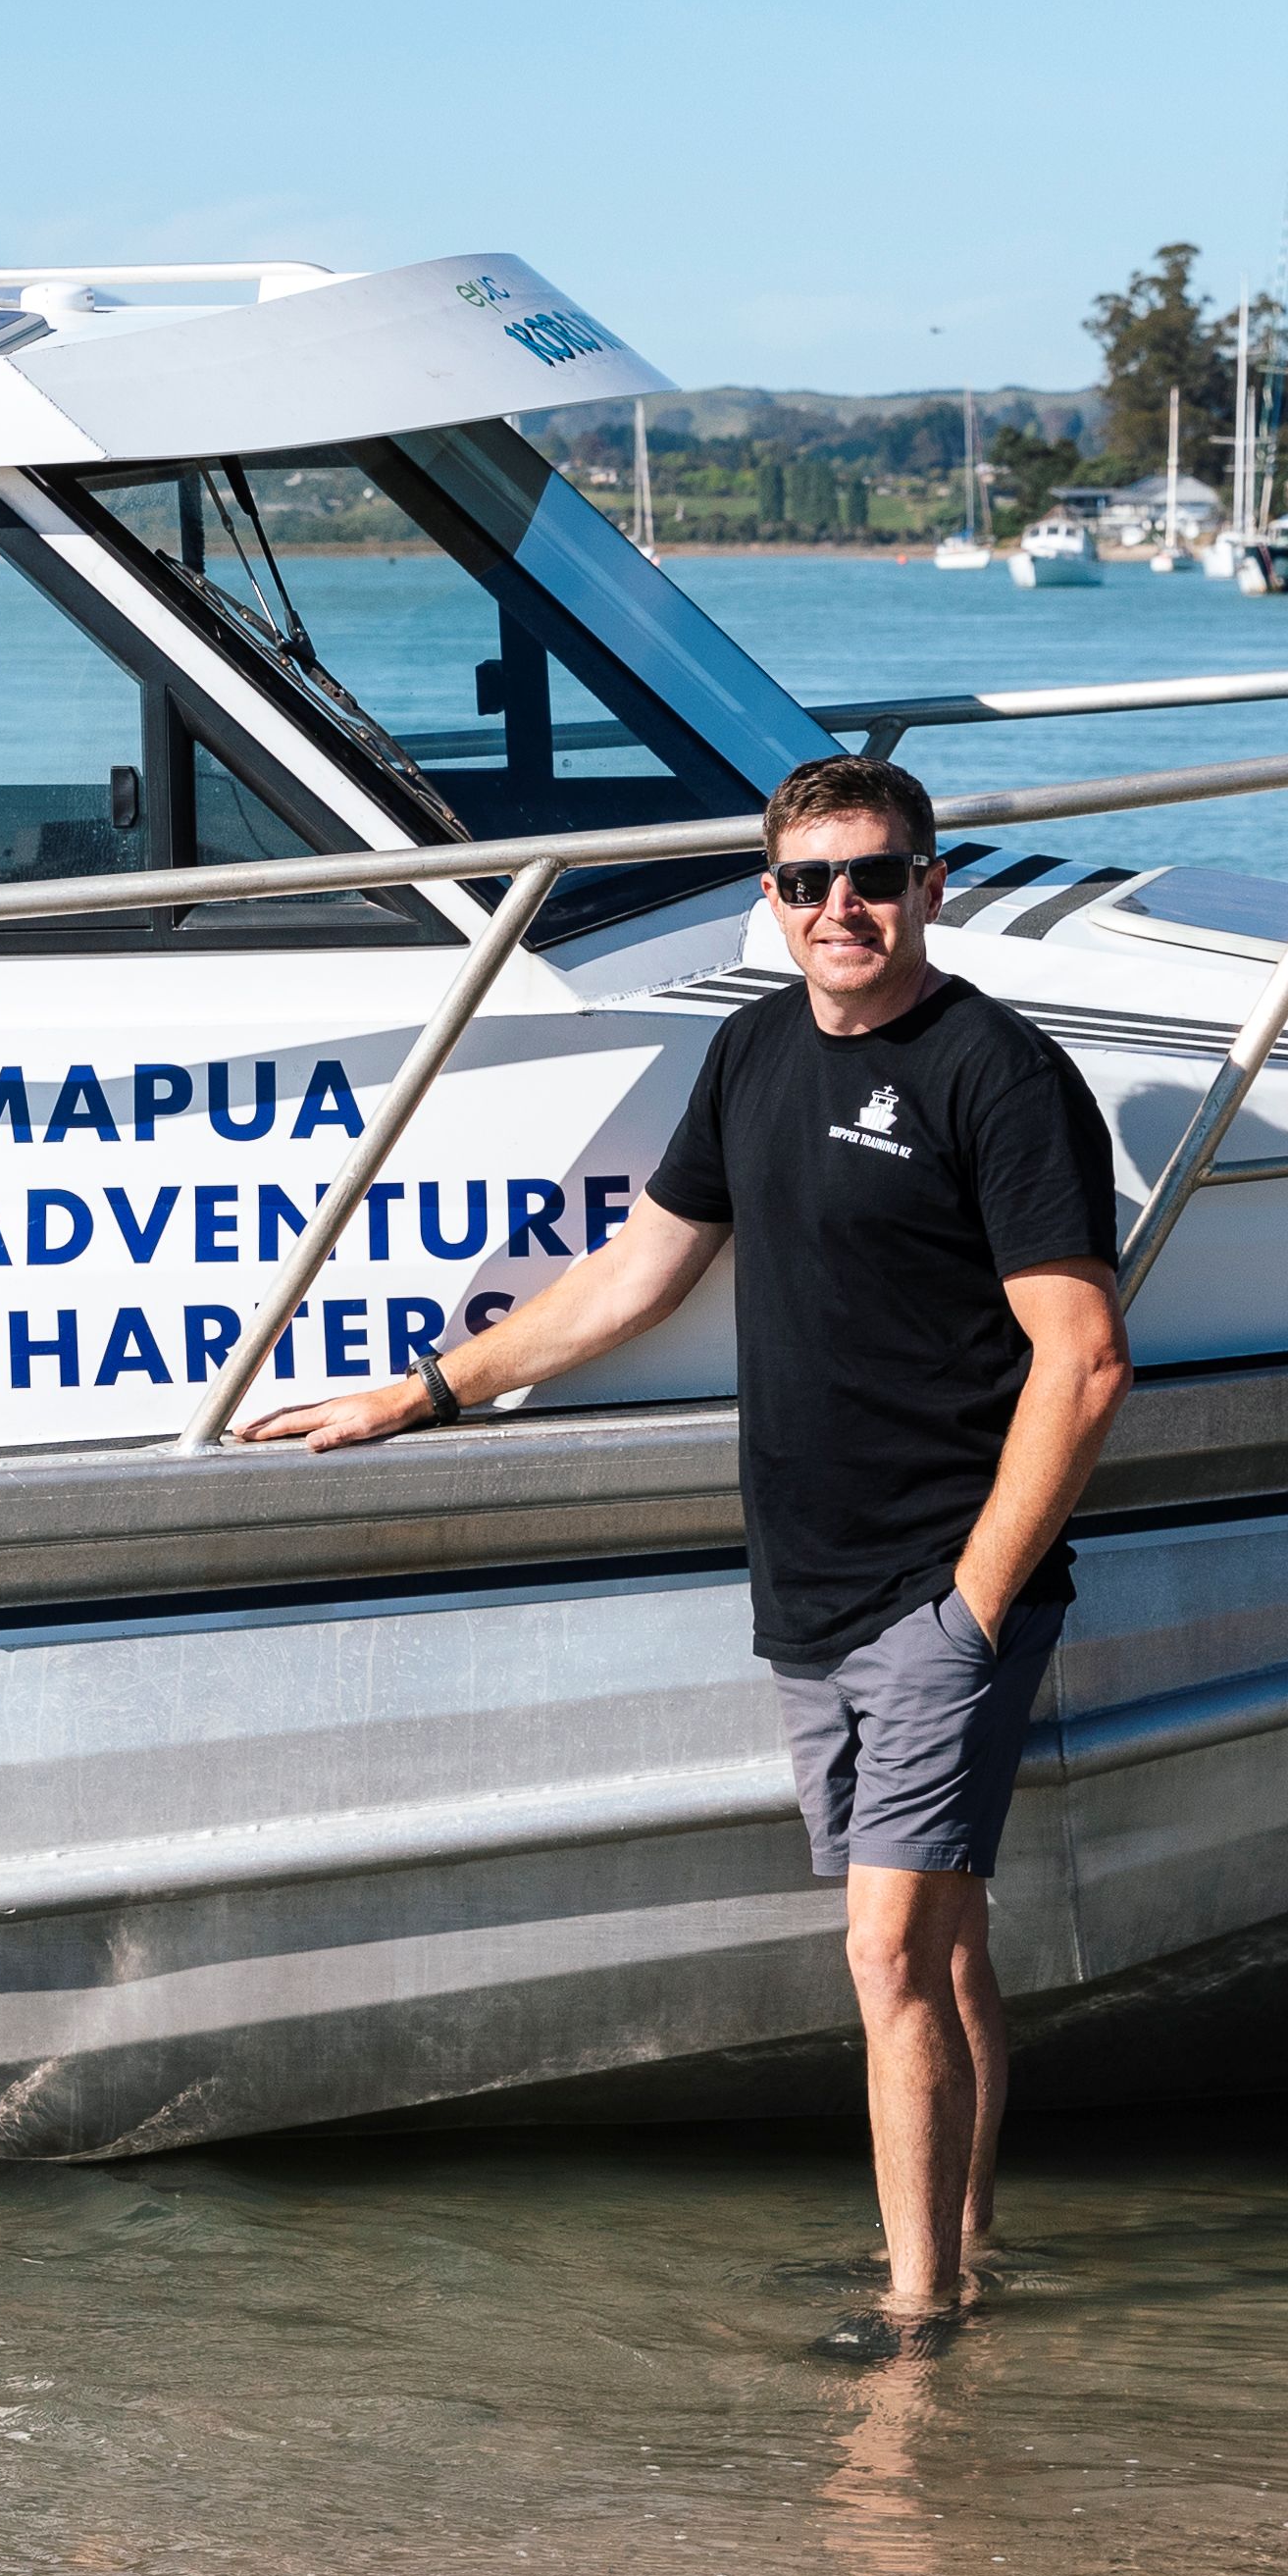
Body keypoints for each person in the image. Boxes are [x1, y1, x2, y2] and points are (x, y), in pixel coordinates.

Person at [253, 751, 1124, 2326]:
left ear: (930, 887)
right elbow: (634, 1276)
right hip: (806, 1584)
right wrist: (423, 1390)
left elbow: (1083, 1357)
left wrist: (976, 1604)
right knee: (942, 1941)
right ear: (770, 899)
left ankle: (916, 2321)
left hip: (939, 1588)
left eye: (873, 875)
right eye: (808, 881)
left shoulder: (995, 1074)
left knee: (884, 1953)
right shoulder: (751, 1051)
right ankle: (969, 2242)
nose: (840, 906)